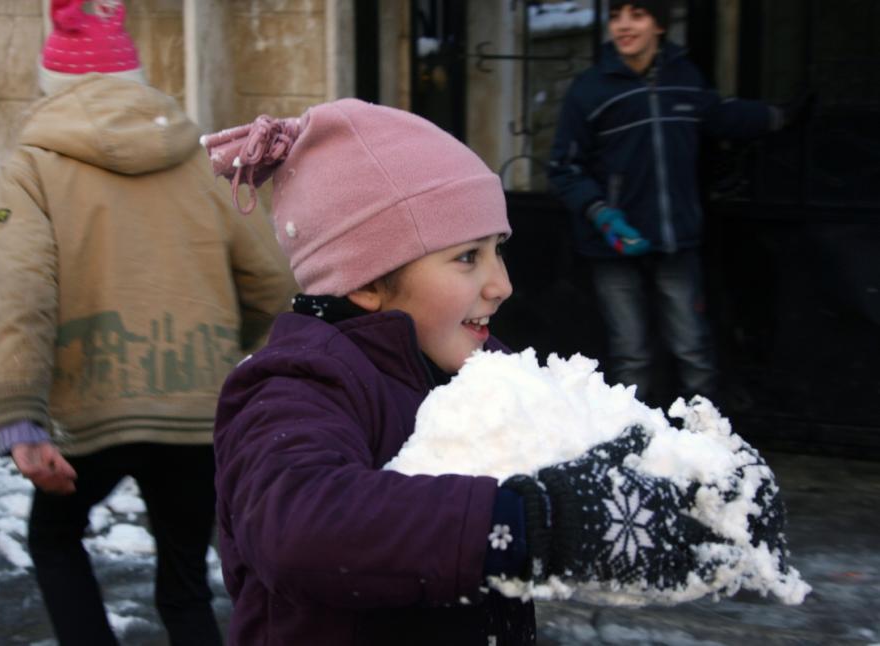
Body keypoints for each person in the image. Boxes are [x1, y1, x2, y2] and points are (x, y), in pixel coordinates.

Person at [201, 98, 787, 645]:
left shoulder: (478, 368)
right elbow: (300, 527)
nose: (501, 283)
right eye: (466, 257)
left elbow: (584, 447)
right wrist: (530, 524)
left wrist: (695, 488)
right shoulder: (295, 383)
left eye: (496, 248)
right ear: (369, 280)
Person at [0, 1, 295, 644]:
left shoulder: (33, 167)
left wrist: (21, 416)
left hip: (91, 413)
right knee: (184, 586)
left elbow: (24, 292)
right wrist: (216, 354)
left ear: (54, 87)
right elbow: (272, 282)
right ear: (137, 81)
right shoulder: (196, 164)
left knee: (55, 540)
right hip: (195, 414)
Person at [547, 0, 809, 408]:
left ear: (660, 25)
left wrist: (778, 117)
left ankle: (706, 442)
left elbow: (720, 115)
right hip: (612, 246)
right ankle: (632, 444)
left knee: (693, 350)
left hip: (676, 241)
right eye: (616, 17)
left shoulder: (683, 78)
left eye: (637, 15)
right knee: (632, 355)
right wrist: (603, 215)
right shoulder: (590, 89)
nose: (623, 26)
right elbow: (564, 168)